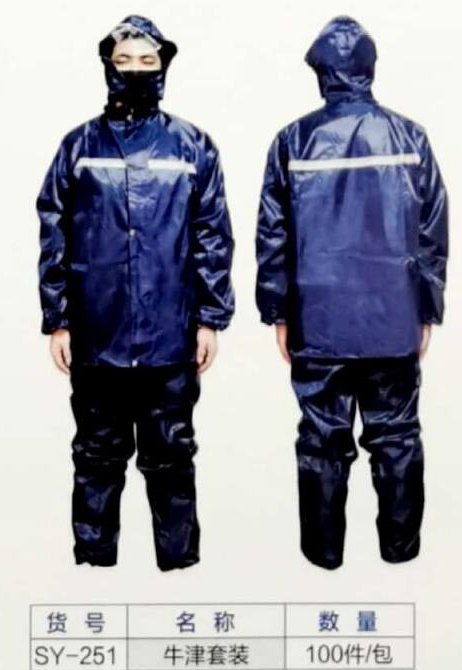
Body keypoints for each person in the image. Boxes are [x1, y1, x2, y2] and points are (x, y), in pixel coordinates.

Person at [37, 15, 234, 571]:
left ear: (164, 66)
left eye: (147, 61)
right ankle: (94, 565)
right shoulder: (79, 146)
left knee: (171, 453)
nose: (135, 70)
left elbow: (213, 234)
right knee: (96, 455)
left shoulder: (192, 145)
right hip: (97, 331)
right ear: (107, 65)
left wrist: (210, 319)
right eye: (124, 60)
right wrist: (57, 319)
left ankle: (178, 564)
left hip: (171, 333)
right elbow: (53, 228)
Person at [256, 16, 448, 569]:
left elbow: (274, 235)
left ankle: (323, 556)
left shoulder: (293, 141)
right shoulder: (410, 138)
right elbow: (432, 232)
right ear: (370, 67)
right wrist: (426, 309)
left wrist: (279, 312)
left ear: (319, 71)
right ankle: (401, 552)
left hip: (319, 321)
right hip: (392, 318)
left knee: (322, 440)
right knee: (397, 436)